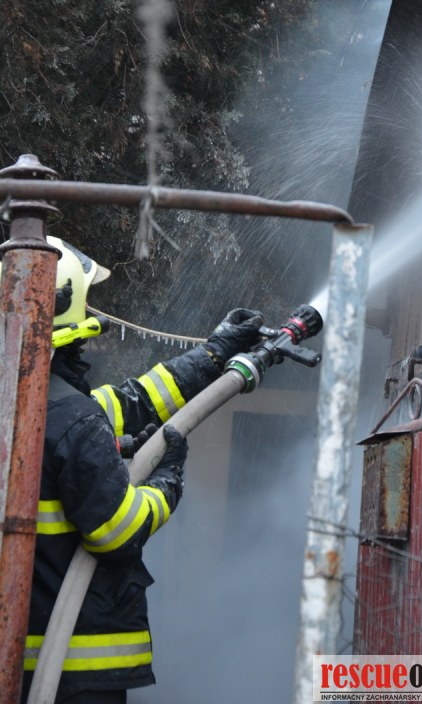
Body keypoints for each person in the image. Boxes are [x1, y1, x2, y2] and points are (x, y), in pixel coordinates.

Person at [20, 236, 263, 704]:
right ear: (68, 306)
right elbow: (118, 530)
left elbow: (133, 402)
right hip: (75, 673)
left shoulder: (33, 403)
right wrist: (165, 483)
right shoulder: (73, 418)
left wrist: (212, 356)